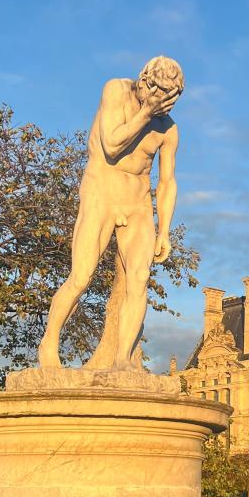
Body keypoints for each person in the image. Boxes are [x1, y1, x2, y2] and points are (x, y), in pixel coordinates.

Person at [37, 56, 184, 369]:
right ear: (145, 82)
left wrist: (165, 231)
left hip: (138, 201)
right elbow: (112, 144)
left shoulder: (168, 130)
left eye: (171, 99)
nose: (164, 104)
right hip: (102, 191)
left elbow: (168, 181)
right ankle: (49, 343)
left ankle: (122, 360)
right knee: (80, 277)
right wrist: (146, 112)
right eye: (160, 95)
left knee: (139, 279)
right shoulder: (115, 90)